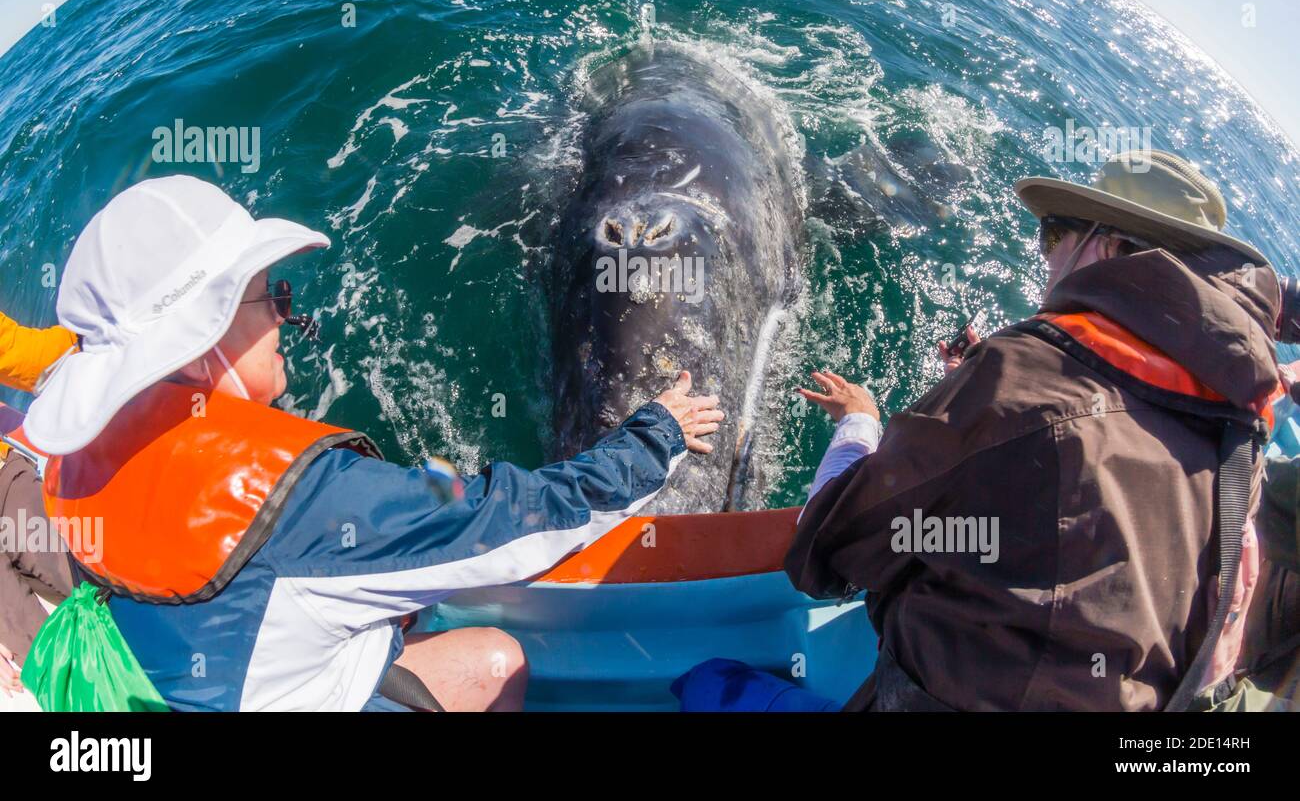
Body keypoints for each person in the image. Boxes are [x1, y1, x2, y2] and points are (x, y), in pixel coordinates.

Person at [16, 175, 724, 711]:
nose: (291, 318)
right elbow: (514, 525)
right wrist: (656, 433)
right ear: (201, 341)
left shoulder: (78, 458)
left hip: (205, 684)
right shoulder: (293, 498)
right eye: (274, 297)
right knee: (497, 659)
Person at [785, 149, 1281, 711]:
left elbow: (826, 550)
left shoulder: (1023, 378)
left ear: (1110, 248)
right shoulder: (1241, 431)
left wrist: (860, 419)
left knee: (713, 685)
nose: (1045, 257)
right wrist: (1002, 417)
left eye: (1054, 235)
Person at [0, 309, 77, 706]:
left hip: (3, 477)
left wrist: (89, 336)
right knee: (34, 645)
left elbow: (34, 358)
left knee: (77, 578)